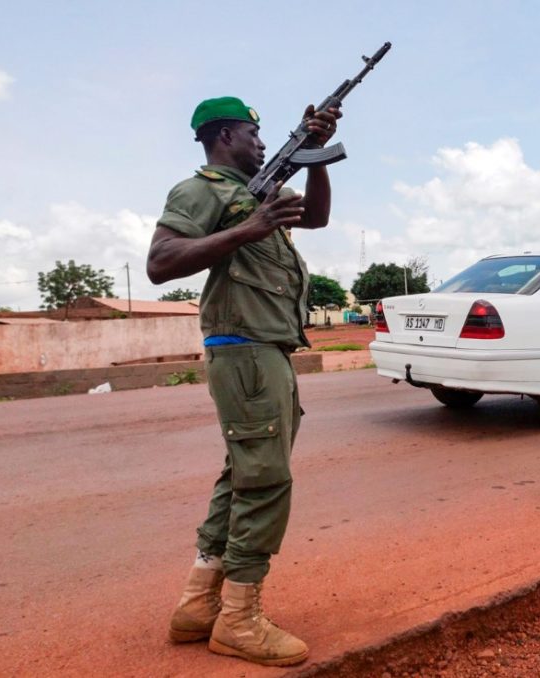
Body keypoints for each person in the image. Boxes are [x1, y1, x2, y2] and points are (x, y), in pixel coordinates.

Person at [146, 96, 341, 667]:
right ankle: (239, 619)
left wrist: (315, 155)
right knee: (266, 481)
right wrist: (247, 228)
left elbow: (318, 218)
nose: (261, 142)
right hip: (245, 348)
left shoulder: (263, 190)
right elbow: (161, 262)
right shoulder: (200, 190)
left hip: (267, 348)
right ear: (225, 135)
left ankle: (198, 605)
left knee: (244, 472)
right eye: (253, 133)